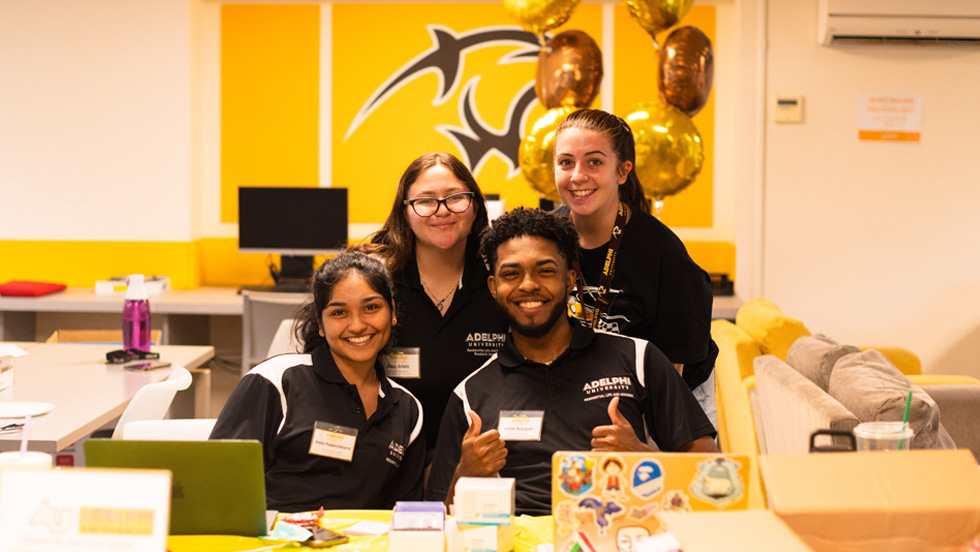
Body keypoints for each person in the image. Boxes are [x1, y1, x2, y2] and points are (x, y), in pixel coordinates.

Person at [425, 208, 718, 515]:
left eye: (545, 271)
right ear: (494, 287)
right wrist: (466, 475)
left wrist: (641, 458)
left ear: (569, 280)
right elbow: (436, 520)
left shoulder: (638, 359)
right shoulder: (471, 394)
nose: (528, 285)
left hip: (617, 538)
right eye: (511, 274)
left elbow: (712, 478)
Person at [210, 252, 425, 512]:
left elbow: (404, 516)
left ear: (392, 312)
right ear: (320, 323)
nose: (357, 325)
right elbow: (219, 488)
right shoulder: (276, 382)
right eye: (339, 312)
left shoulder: (408, 411)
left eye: (371, 307)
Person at [553, 108, 719, 428]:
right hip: (582, 387)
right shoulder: (546, 238)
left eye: (595, 161)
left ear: (622, 171)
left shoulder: (663, 254)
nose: (577, 175)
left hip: (671, 392)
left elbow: (670, 380)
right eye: (566, 162)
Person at [361, 152, 507, 465]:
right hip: (389, 460)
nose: (442, 211)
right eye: (425, 200)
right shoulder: (375, 284)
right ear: (405, 212)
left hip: (484, 460)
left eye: (455, 197)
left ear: (475, 206)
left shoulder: (503, 281)